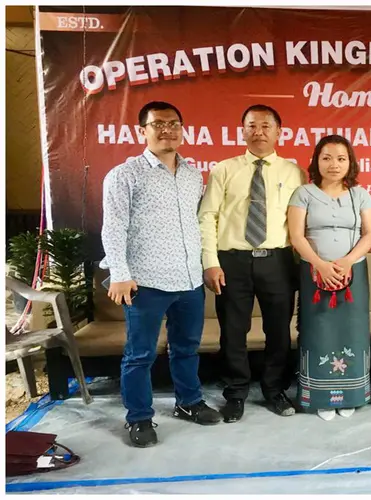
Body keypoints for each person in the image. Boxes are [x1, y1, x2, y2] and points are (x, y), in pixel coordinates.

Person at [101, 101, 221, 447]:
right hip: (144, 282)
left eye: (174, 124)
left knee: (186, 348)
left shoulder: (192, 174)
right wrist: (120, 273)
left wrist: (205, 265)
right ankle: (139, 418)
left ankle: (189, 402)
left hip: (189, 280)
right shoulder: (124, 175)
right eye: (158, 124)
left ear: (182, 130)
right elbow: (113, 228)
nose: (167, 130)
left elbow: (198, 224)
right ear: (143, 131)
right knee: (140, 355)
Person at [198, 104, 306, 422]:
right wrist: (210, 262)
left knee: (279, 331)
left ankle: (275, 390)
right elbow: (207, 217)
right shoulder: (223, 170)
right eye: (252, 126)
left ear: (279, 132)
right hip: (232, 262)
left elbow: (301, 221)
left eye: (266, 126)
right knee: (233, 331)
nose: (258, 132)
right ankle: (235, 394)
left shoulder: (294, 172)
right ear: (242, 131)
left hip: (278, 261)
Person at [287, 135, 371, 421]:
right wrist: (320, 265)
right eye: (326, 158)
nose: (334, 164)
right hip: (314, 273)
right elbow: (296, 236)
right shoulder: (303, 193)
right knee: (318, 330)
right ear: (316, 162)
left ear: (350, 162)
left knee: (352, 330)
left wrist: (347, 261)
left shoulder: (360, 195)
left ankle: (351, 394)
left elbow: (369, 235)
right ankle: (320, 397)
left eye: (341, 158)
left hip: (354, 273)